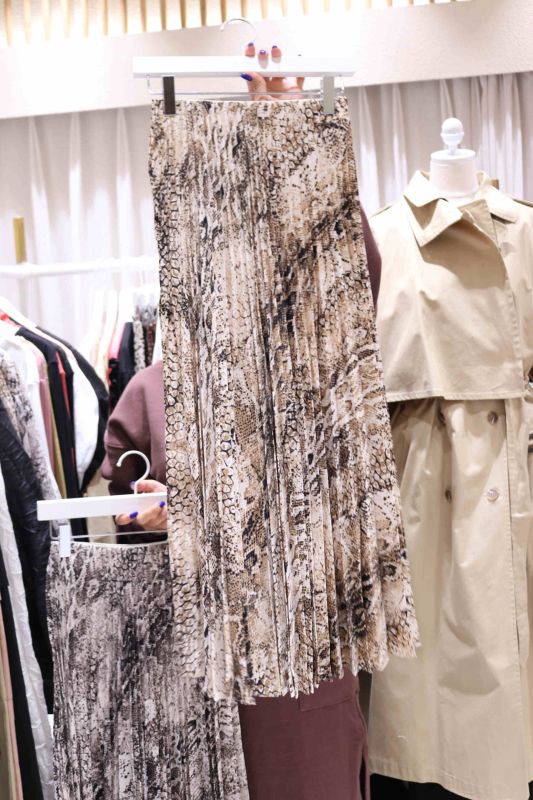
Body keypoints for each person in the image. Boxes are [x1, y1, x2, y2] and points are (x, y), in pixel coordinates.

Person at [102, 45, 382, 800]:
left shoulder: (314, 372)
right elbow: (116, 533)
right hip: (192, 684)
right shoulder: (151, 394)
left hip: (299, 676)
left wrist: (289, 135)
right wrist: (159, 514)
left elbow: (352, 273)